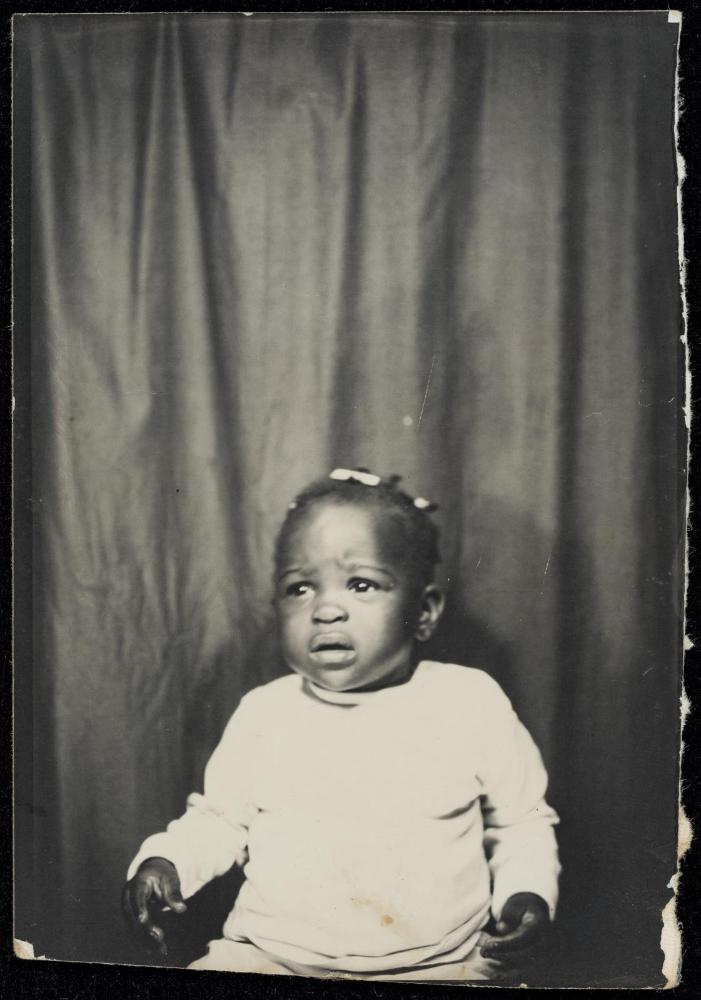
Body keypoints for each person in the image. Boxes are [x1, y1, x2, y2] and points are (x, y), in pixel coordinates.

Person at [123, 468, 560, 981]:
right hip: (272, 956)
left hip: (442, 965)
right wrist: (165, 863)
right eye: (300, 588)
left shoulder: (469, 700)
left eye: (360, 584)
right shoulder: (266, 712)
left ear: (423, 612)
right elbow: (219, 821)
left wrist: (527, 892)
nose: (326, 609)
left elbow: (521, 822)